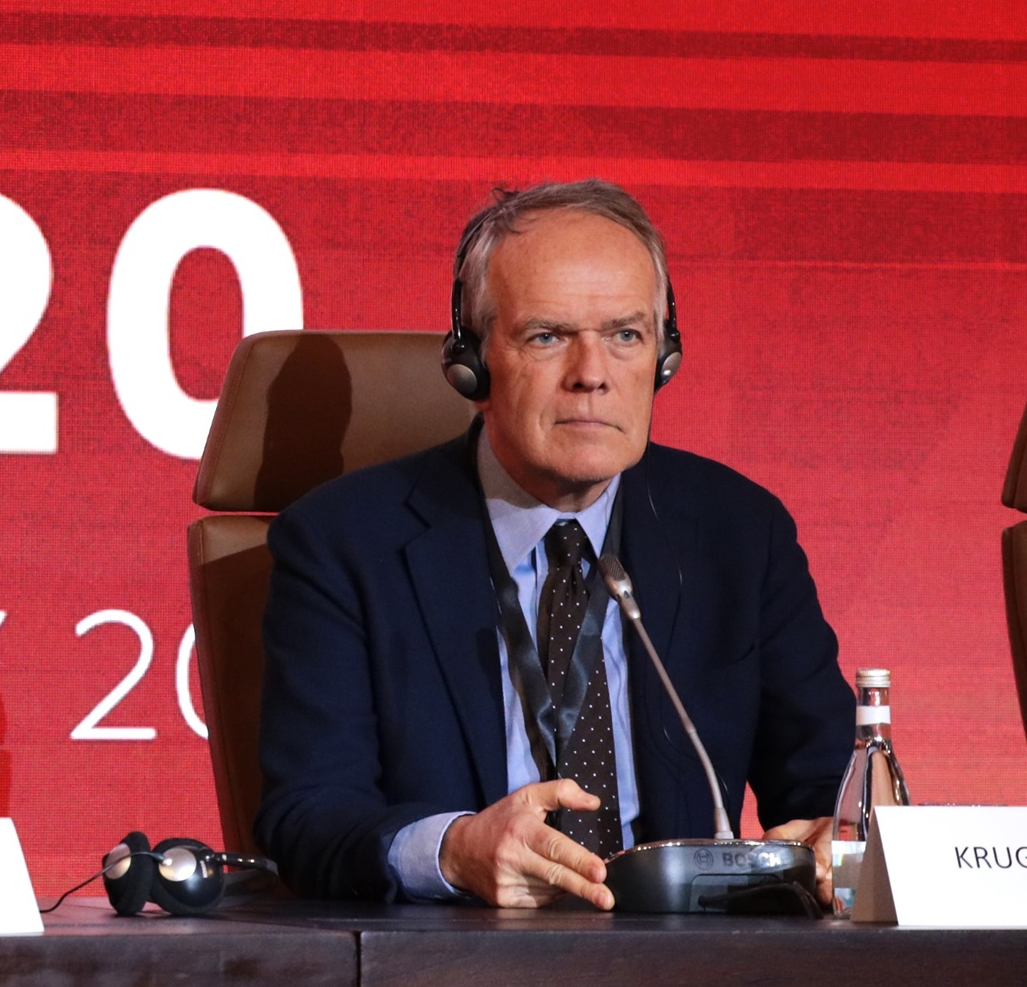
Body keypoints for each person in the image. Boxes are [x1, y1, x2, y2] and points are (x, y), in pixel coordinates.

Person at [256, 181, 852, 906]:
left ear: (664, 357)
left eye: (626, 335)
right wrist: (453, 849)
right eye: (548, 337)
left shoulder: (739, 533)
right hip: (456, 955)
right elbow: (308, 815)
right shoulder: (344, 544)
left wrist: (840, 835)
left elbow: (832, 783)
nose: (592, 375)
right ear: (471, 366)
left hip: (688, 956)